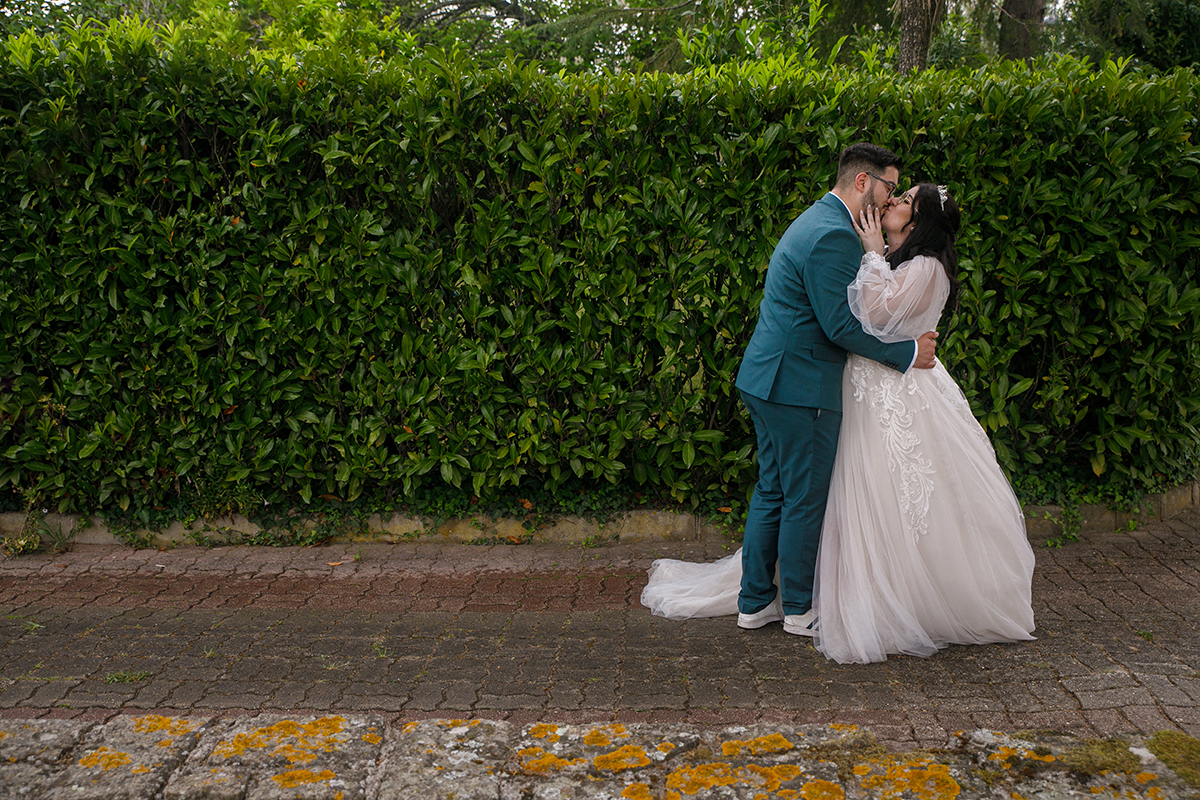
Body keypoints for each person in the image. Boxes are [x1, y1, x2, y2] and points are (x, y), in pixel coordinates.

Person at [641, 182, 1037, 664]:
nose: (893, 201)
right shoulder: (882, 252)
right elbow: (857, 319)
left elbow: (870, 315)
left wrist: (872, 255)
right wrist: (877, 255)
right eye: (895, 191)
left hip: (896, 394)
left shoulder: (926, 266)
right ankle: (781, 601)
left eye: (905, 198)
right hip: (863, 387)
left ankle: (809, 598)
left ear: (919, 222)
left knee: (865, 495)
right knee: (813, 493)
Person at [726, 143, 939, 638]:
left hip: (769, 378)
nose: (891, 199)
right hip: (799, 385)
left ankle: (754, 602)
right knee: (803, 497)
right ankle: (799, 609)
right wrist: (908, 354)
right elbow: (840, 326)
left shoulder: (817, 219)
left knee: (774, 490)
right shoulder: (832, 236)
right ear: (863, 181)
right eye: (889, 187)